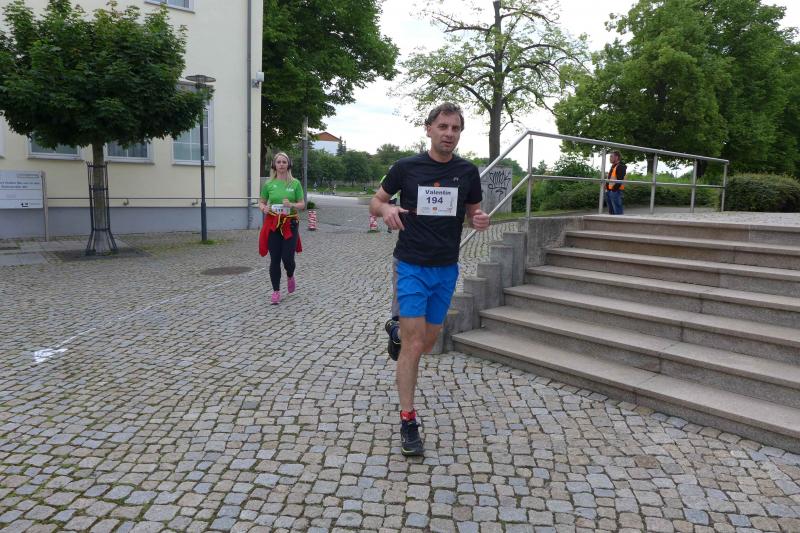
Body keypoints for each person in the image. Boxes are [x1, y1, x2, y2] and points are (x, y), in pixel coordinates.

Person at [370, 102, 490, 457]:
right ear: (429, 129)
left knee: (428, 341)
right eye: (443, 126)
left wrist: (479, 219)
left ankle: (396, 329)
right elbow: (375, 202)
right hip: (411, 264)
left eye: (455, 128)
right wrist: (387, 208)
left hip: (446, 267)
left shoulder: (467, 172)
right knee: (413, 346)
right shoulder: (406, 168)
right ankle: (408, 420)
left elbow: (473, 213)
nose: (449, 134)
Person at [258, 152, 305, 304]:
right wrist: (263, 208)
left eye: (284, 162)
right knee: (275, 259)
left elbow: (302, 204)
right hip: (273, 224)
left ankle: (290, 275)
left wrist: (291, 204)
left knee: (288, 258)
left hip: (290, 224)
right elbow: (261, 202)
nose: (281, 164)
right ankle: (276, 292)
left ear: (288, 164)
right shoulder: (269, 184)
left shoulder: (295, 183)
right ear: (274, 165)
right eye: (278, 162)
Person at [606, 150, 626, 215]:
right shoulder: (613, 166)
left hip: (616, 191)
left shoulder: (620, 166)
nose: (610, 158)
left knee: (617, 212)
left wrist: (613, 190)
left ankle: (620, 222)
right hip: (610, 191)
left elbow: (620, 180)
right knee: (612, 212)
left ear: (616, 157)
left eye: (611, 156)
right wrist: (607, 188)